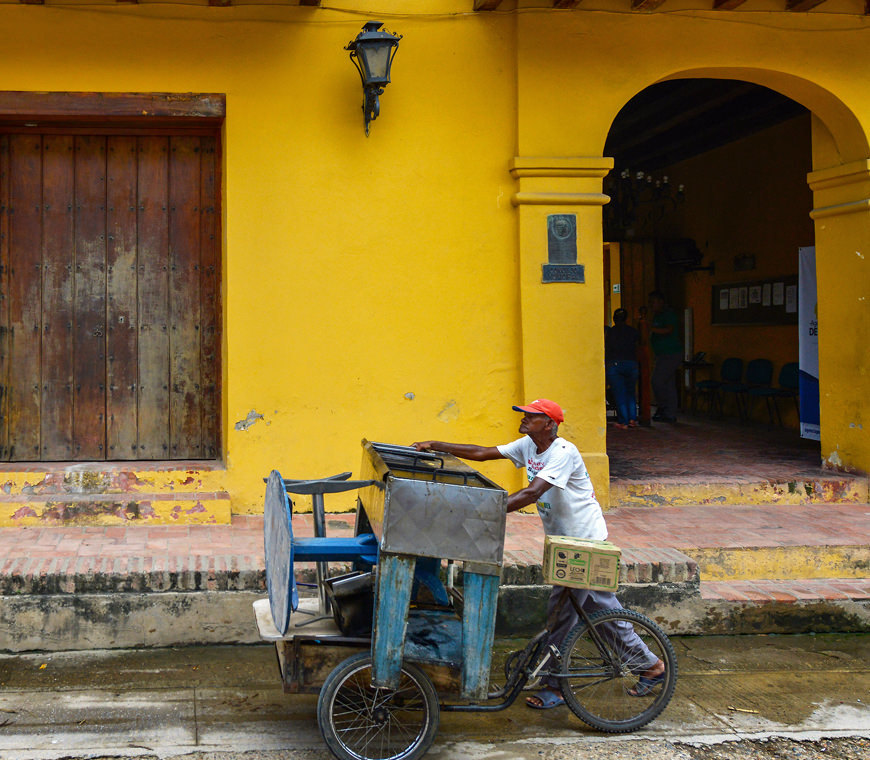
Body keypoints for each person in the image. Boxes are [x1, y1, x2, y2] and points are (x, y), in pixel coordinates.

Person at [413, 398, 665, 710]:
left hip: (583, 542)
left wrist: (482, 512)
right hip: (565, 542)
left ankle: (556, 686)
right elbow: (484, 452)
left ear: (549, 423)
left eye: (531, 417)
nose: (523, 420)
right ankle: (650, 666)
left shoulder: (563, 452)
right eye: (524, 415)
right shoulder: (529, 444)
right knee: (600, 612)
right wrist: (436, 444)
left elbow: (532, 493)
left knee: (563, 613)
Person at [647, 291, 682, 423]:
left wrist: (650, 329)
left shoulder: (669, 315)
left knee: (657, 381)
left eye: (653, 302)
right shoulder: (657, 315)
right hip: (661, 354)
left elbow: (669, 329)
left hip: (671, 353)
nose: (651, 305)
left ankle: (663, 407)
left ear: (661, 302)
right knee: (668, 384)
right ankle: (670, 414)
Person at [604, 308, 640, 429]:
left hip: (615, 365)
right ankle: (632, 419)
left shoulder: (611, 333)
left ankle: (623, 421)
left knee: (620, 394)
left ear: (614, 319)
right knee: (630, 393)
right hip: (632, 364)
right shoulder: (633, 331)